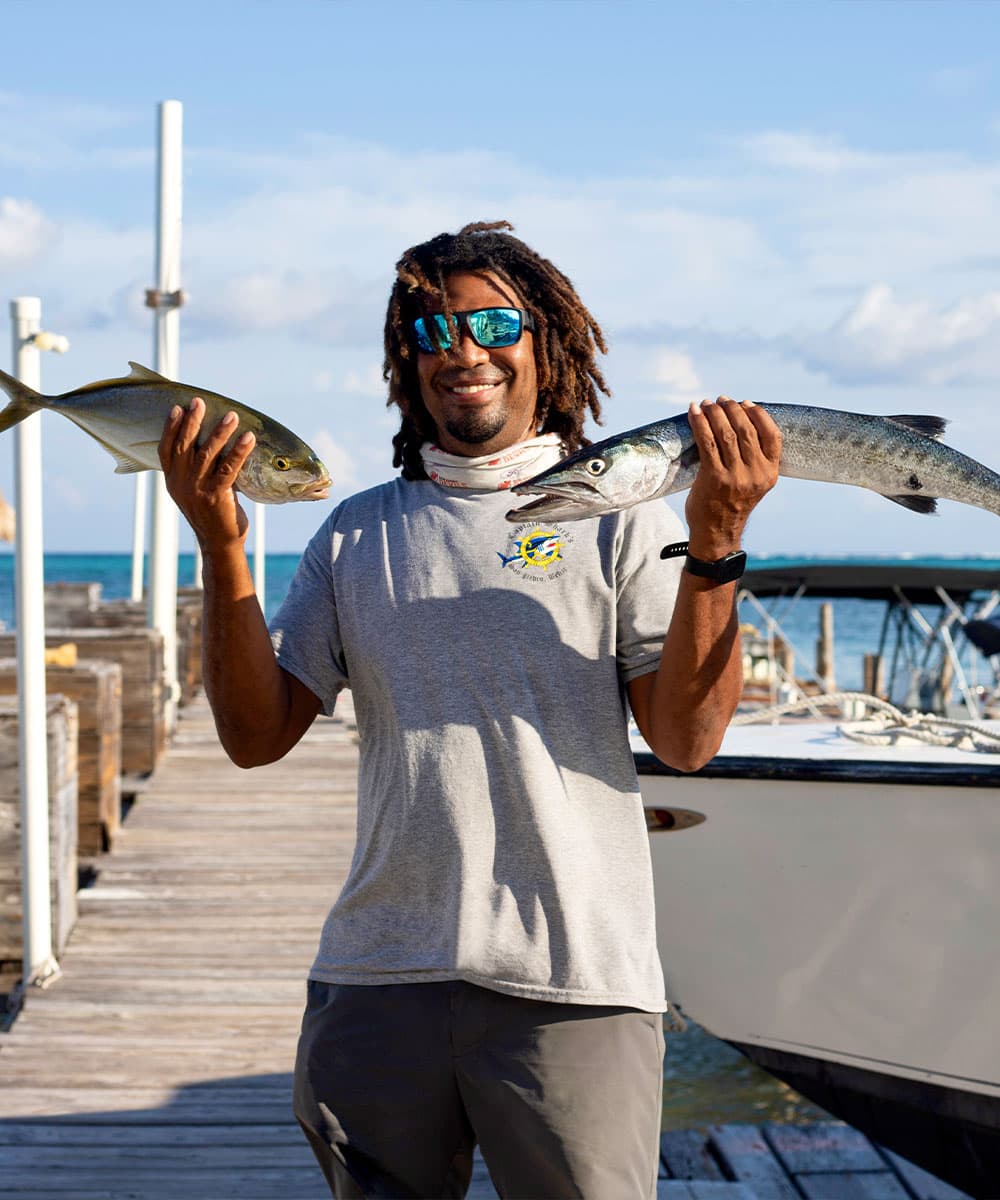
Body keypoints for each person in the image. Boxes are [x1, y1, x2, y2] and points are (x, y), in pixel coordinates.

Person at [159, 220, 781, 1200]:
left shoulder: (628, 514)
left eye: (491, 322)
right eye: (429, 331)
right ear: (404, 363)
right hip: (376, 980)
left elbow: (687, 739)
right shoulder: (355, 531)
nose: (462, 350)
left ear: (545, 342)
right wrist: (224, 544)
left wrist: (718, 542)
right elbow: (253, 735)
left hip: (573, 986)